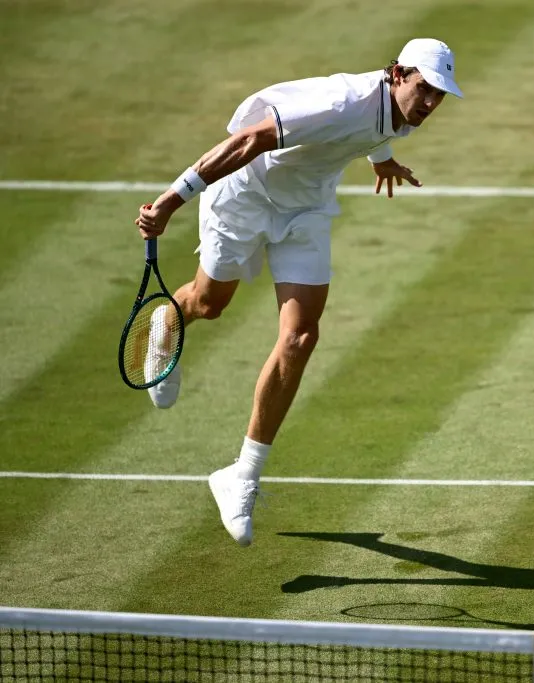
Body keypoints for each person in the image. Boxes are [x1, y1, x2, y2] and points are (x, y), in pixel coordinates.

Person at [134, 39, 463, 547]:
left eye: (439, 95)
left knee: (301, 337)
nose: (429, 104)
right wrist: (170, 202)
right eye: (424, 89)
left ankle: (242, 475)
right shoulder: (337, 103)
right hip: (244, 196)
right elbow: (248, 141)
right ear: (398, 74)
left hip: (306, 210)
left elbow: (370, 129)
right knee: (209, 303)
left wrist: (381, 160)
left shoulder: (393, 110)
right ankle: (170, 319)